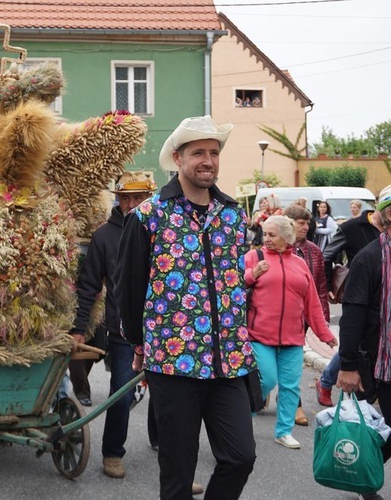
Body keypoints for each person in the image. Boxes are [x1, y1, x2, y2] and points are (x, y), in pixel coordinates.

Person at [116, 115, 256, 500]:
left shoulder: (233, 216)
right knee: (178, 472)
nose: (208, 160)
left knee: (241, 456)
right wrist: (139, 345)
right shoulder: (148, 216)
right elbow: (128, 289)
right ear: (178, 158)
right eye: (198, 153)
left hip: (228, 361)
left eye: (214, 152)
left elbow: (235, 287)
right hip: (174, 362)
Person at [69, 170, 156, 477]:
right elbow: (89, 285)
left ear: (150, 198)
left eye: (138, 198)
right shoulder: (105, 236)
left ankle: (170, 452)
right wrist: (79, 329)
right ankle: (112, 453)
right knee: (122, 392)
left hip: (166, 329)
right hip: (124, 330)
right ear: (118, 199)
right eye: (125, 198)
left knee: (173, 397)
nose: (131, 204)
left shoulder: (165, 230)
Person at [245, 215, 337, 449]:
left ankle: (283, 431)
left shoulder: (299, 264)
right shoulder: (254, 257)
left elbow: (312, 303)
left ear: (287, 238)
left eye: (272, 235)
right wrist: (251, 275)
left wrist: (325, 334)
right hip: (259, 335)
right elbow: (231, 287)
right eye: (265, 234)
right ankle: (245, 415)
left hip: (292, 337)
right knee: (266, 379)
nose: (266, 239)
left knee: (289, 386)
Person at [336, 184, 391, 500]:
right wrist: (349, 365)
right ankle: (364, 477)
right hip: (381, 363)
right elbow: (353, 315)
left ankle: (362, 471)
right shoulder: (370, 258)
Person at [316, 205, 381, 406]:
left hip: (380, 298)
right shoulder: (352, 227)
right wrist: (328, 286)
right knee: (354, 342)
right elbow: (327, 255)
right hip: (358, 295)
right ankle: (326, 381)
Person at [283, 204, 330, 426]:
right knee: (278, 363)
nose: (306, 227)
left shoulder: (315, 251)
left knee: (292, 361)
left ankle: (293, 404)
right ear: (289, 223)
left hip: (303, 318)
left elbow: (321, 287)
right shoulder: (279, 247)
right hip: (279, 315)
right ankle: (288, 402)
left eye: (307, 223)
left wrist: (323, 320)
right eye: (301, 223)